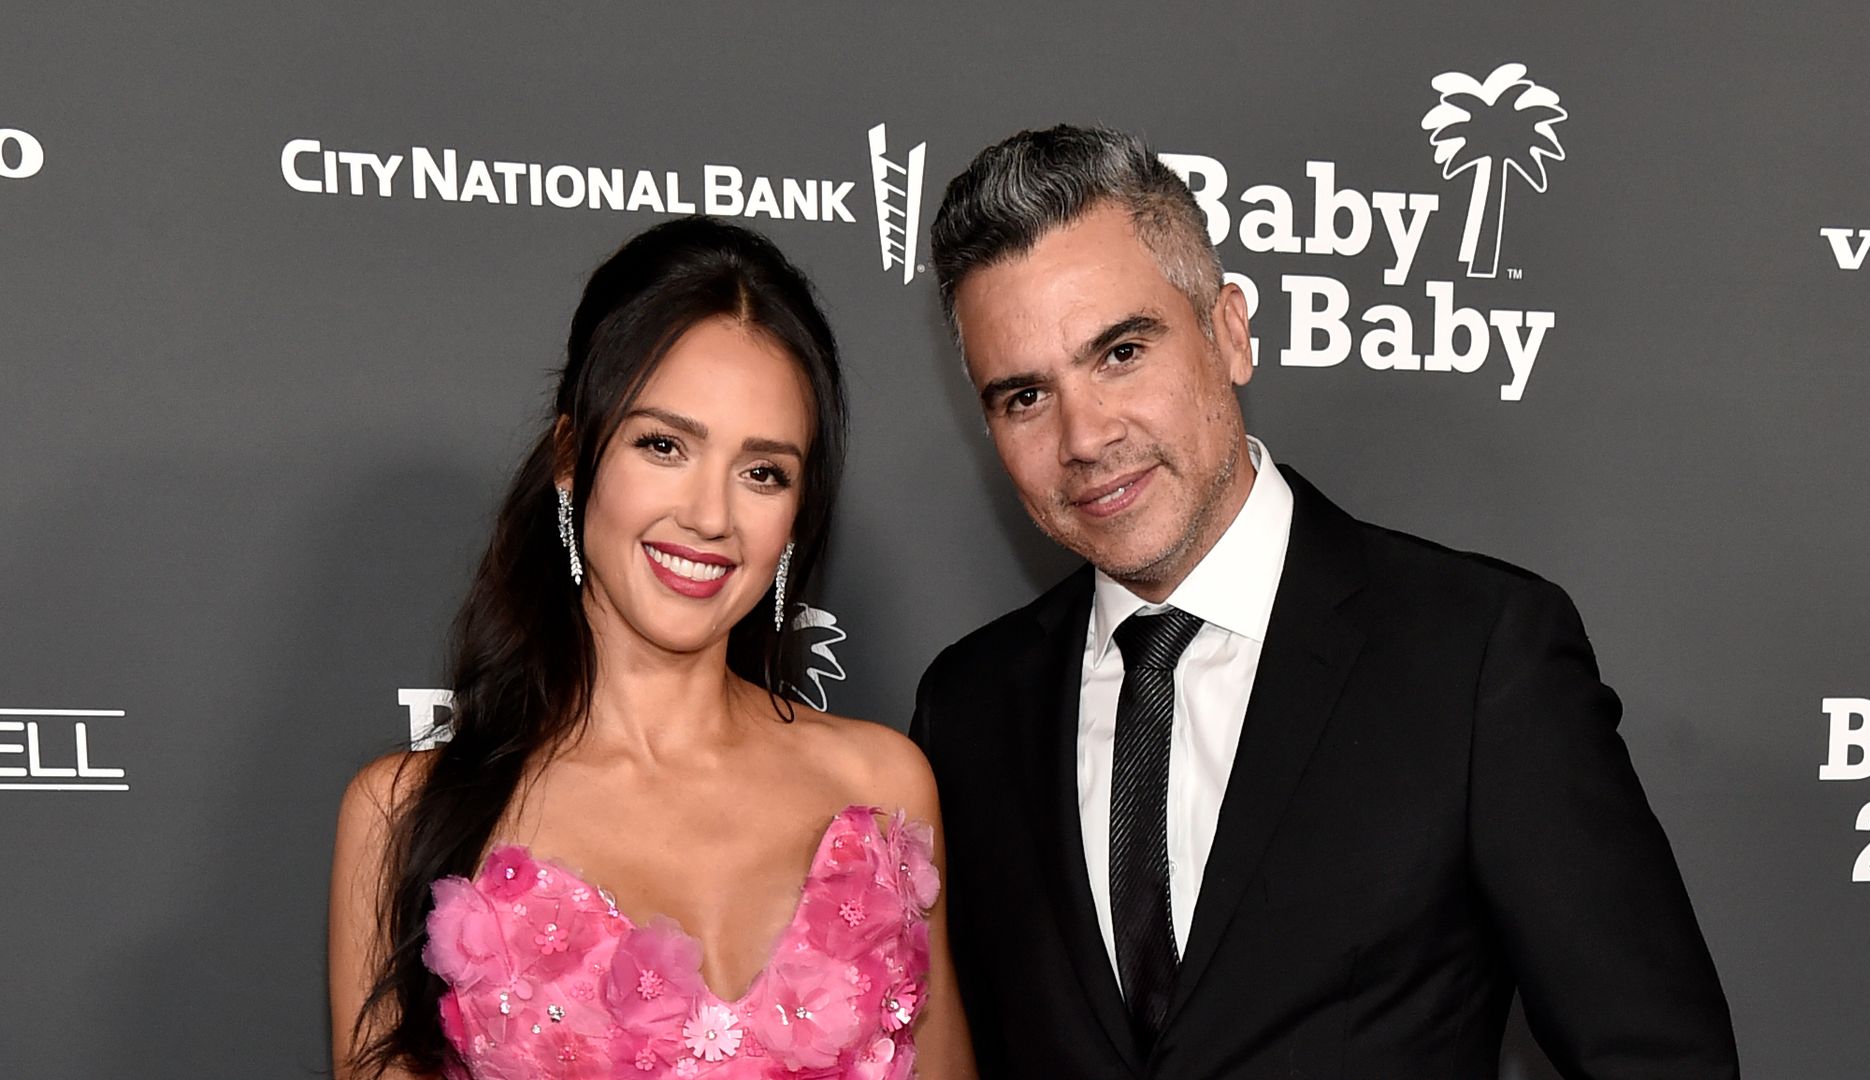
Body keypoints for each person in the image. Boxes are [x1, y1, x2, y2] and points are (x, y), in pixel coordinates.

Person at [910, 125, 1739, 1079]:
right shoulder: (967, 707)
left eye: (1122, 352)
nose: (1085, 435)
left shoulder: (1476, 658)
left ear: (1228, 332)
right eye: (1023, 397)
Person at [329, 217, 974, 1080]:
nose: (710, 516)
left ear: (797, 514)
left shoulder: (883, 791)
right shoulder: (407, 816)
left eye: (763, 471)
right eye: (663, 445)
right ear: (572, 456)